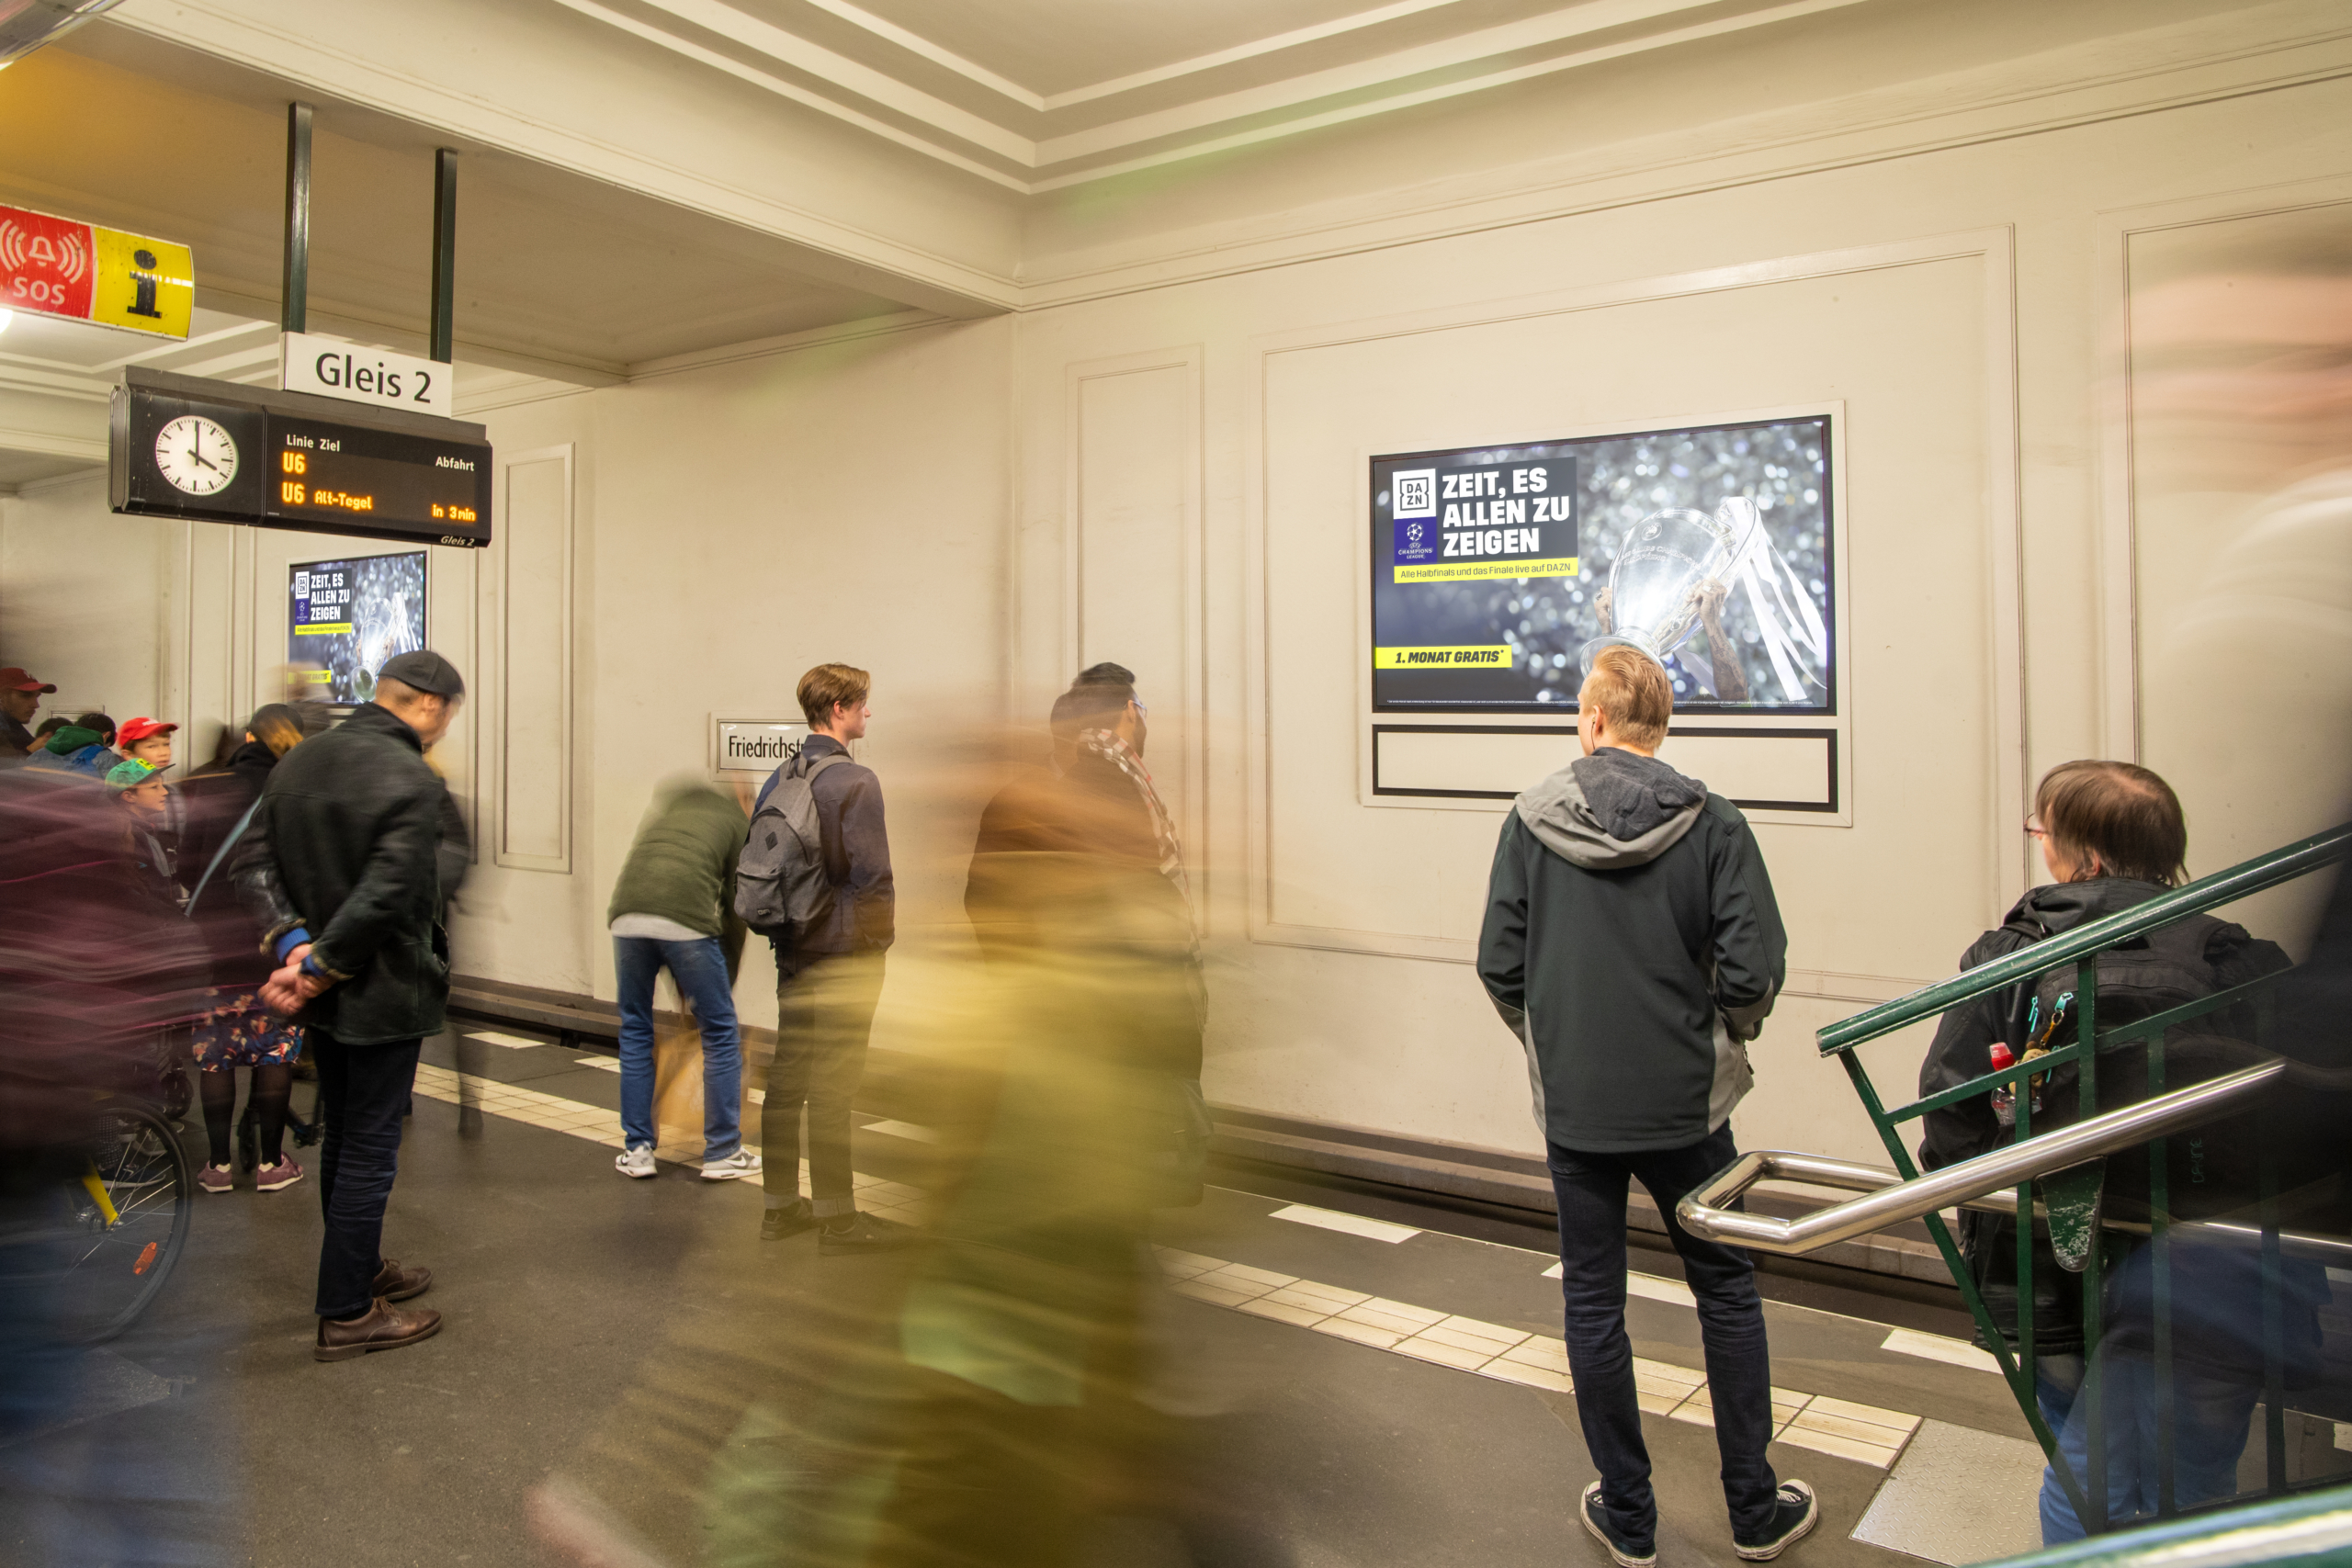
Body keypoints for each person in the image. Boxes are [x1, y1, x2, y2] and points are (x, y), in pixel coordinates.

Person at [1477, 644, 1812, 1567]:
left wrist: (1556, 1043)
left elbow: (1499, 967)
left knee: (1594, 1302)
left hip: (1578, 1113)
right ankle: (1754, 1510)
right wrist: (1719, 1037)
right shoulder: (1716, 826)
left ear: (1590, 721)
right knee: (1726, 1289)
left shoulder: (1528, 820)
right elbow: (1754, 972)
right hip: (1690, 1112)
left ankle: (1628, 1518)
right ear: (1662, 728)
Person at [1914, 760, 2304, 1541]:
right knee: (2198, 1476)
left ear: (2084, 855)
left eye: (2044, 830)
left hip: (2054, 1265)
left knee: (2087, 1474)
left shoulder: (2011, 958)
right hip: (2215, 1264)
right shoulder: (2240, 959)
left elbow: (1949, 1117)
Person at [232, 650, 463, 1361]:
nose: (445, 728)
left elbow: (251, 864)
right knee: (368, 1148)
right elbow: (390, 892)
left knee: (341, 1135)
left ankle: (359, 1268)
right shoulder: (410, 778)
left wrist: (296, 947)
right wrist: (323, 967)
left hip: (324, 993)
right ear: (427, 704)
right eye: (447, 714)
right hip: (383, 990)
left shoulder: (297, 761)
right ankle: (348, 1309)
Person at [757, 662, 901, 1254]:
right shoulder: (856, 781)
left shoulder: (779, 777)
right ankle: (838, 1219)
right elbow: (874, 879)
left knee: (787, 1080)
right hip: (843, 959)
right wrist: (879, 947)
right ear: (839, 710)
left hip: (792, 953)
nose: (869, 712)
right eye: (862, 703)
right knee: (835, 1088)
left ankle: (778, 1209)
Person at [181, 705, 311, 1197]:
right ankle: (272, 1164)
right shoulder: (291, 791)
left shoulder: (208, 786)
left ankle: (216, 1167)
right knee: (273, 1052)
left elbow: (188, 866)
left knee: (216, 1055)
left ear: (250, 736)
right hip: (273, 943)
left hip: (212, 945)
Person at [607, 777, 756, 1181]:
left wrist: (684, 985)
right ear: (744, 800)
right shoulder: (737, 821)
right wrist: (720, 980)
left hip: (627, 916)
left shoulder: (671, 812)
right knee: (721, 1031)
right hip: (686, 921)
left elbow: (658, 885)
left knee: (636, 1029)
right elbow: (735, 907)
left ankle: (637, 1150)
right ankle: (723, 1150)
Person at [0, 666, 52, 761]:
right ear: (2, 697)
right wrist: (31, 750)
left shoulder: (13, 728)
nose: (36, 705)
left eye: (37, 697)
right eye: (25, 696)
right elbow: (5, 771)